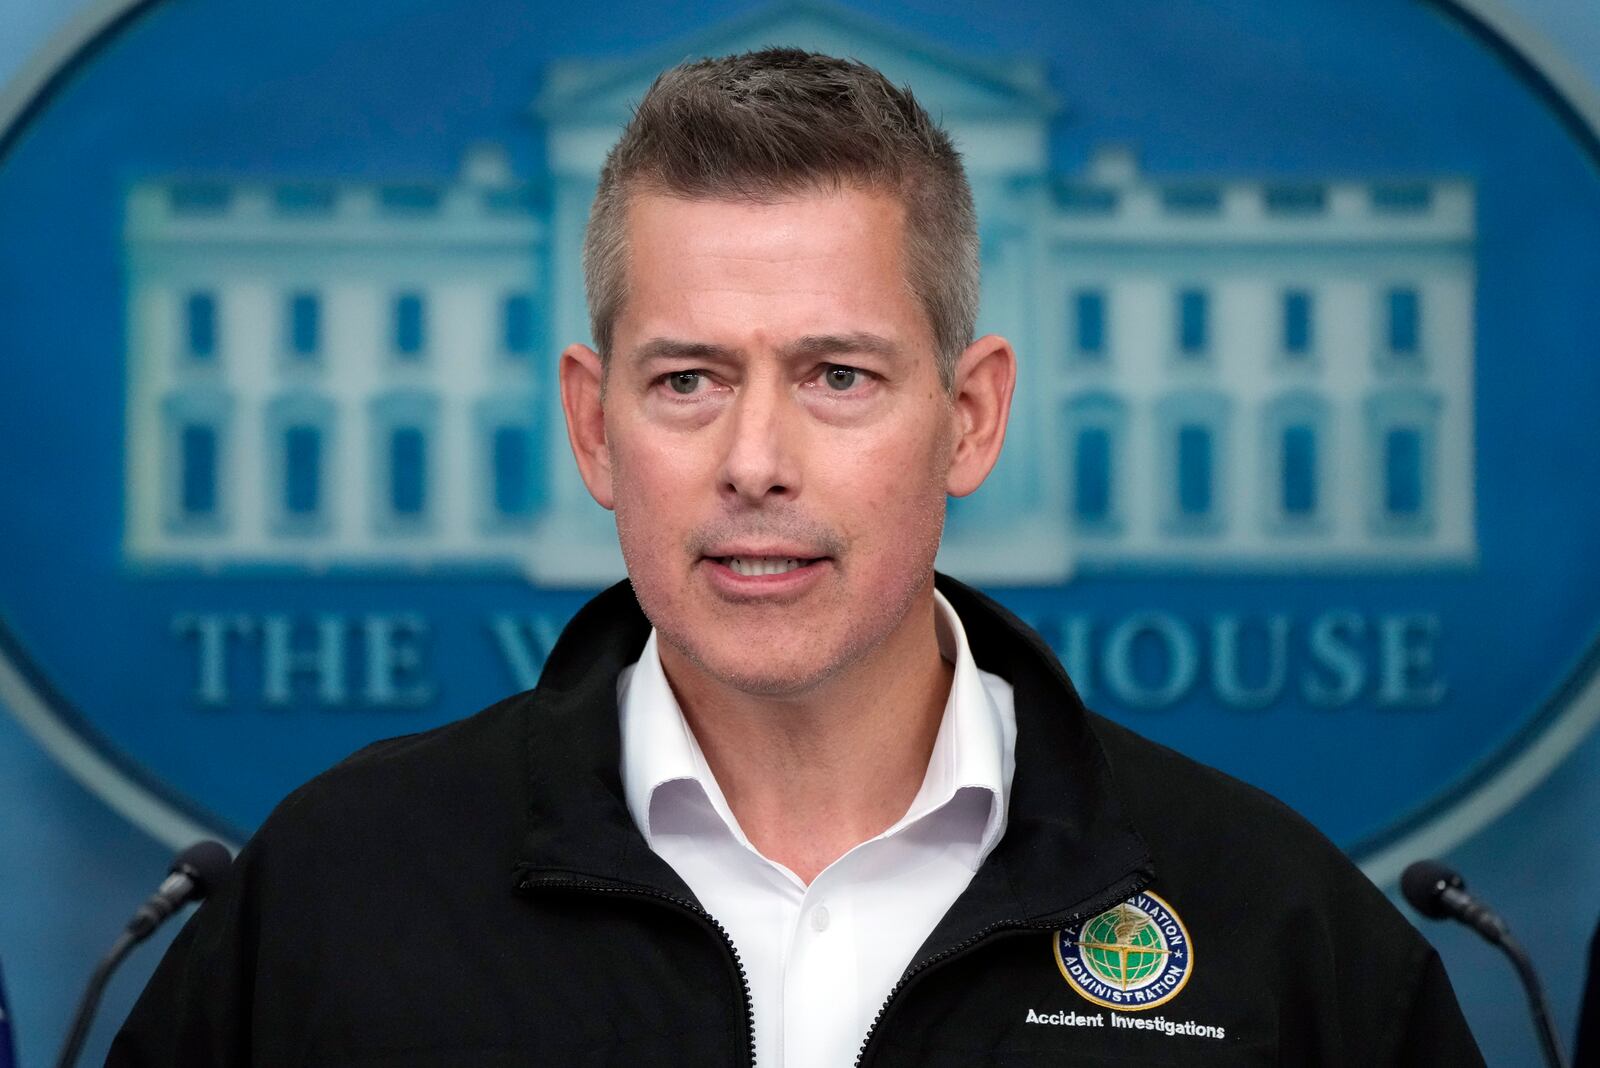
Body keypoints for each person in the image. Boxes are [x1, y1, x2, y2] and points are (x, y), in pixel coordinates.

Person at [112, 49, 1484, 1066]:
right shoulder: (335, 897)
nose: (755, 459)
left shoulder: (1278, 931)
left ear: (970, 416)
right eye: (690, 381)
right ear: (595, 428)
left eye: (836, 375)